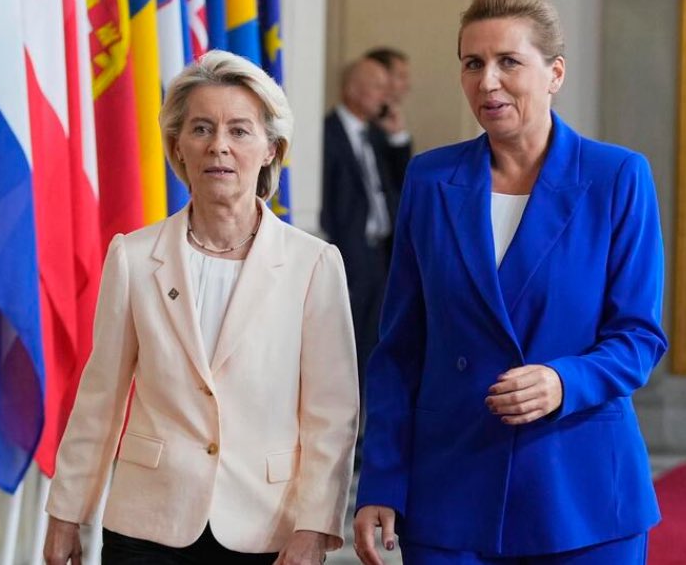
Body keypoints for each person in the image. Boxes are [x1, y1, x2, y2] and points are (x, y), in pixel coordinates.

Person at [354, 0, 667, 564]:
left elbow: (639, 337)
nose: (488, 82)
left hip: (579, 493)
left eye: (509, 62)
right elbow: (399, 350)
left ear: (555, 73)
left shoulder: (617, 177)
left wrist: (564, 381)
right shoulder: (429, 180)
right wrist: (381, 479)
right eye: (473, 64)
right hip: (450, 489)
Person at [43, 50, 359, 565]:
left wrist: (316, 526)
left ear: (270, 149)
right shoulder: (134, 257)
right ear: (178, 146)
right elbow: (100, 397)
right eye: (201, 129)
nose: (219, 147)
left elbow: (333, 414)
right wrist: (66, 512)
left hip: (265, 526)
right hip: (148, 524)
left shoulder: (314, 264)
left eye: (239, 131)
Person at [321, 57, 402, 389]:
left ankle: (364, 414)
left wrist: (397, 137)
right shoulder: (326, 133)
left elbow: (400, 184)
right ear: (353, 89)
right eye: (378, 87)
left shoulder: (377, 136)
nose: (386, 96)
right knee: (342, 345)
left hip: (378, 255)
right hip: (345, 253)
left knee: (371, 344)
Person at [365, 46, 414, 191]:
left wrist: (397, 135)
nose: (407, 85)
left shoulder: (389, 124)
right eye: (401, 77)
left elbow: (405, 185)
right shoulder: (360, 126)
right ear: (381, 76)